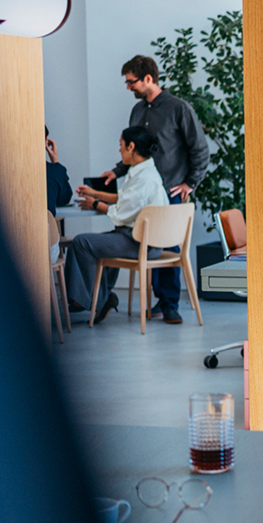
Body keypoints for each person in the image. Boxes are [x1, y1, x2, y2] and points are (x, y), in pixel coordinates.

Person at [99, 55, 209, 325]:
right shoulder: (137, 111)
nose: (128, 88)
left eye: (131, 82)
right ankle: (155, 304)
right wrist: (117, 170)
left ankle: (169, 305)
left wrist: (190, 183)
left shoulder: (178, 108)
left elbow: (200, 149)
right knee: (137, 244)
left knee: (167, 249)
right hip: (141, 193)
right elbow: (134, 149)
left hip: (169, 193)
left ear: (148, 78)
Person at [67, 125, 169, 325]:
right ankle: (102, 298)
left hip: (141, 244)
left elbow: (120, 213)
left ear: (131, 147)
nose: (119, 150)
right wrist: (95, 193)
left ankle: (91, 301)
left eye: (121, 145)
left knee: (81, 242)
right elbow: (124, 198)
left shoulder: (144, 179)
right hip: (146, 241)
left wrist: (96, 204)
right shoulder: (146, 172)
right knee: (101, 242)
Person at [45, 125, 73, 217]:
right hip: (44, 229)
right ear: (46, 140)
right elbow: (64, 199)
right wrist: (55, 162)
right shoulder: (53, 172)